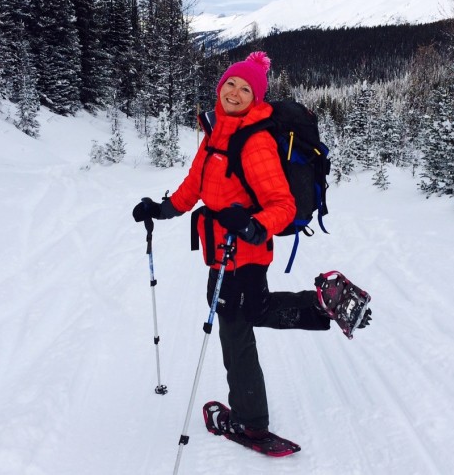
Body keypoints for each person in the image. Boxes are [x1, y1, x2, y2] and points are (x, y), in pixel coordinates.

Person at [133, 51, 367, 440]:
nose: (236, 93)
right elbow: (195, 187)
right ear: (219, 87)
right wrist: (161, 209)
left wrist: (255, 227)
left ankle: (250, 421)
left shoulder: (254, 142)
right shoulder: (214, 135)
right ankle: (321, 305)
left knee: (235, 331)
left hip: (242, 253)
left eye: (246, 89)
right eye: (231, 84)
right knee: (251, 310)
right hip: (222, 252)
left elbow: (282, 204)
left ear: (256, 98)